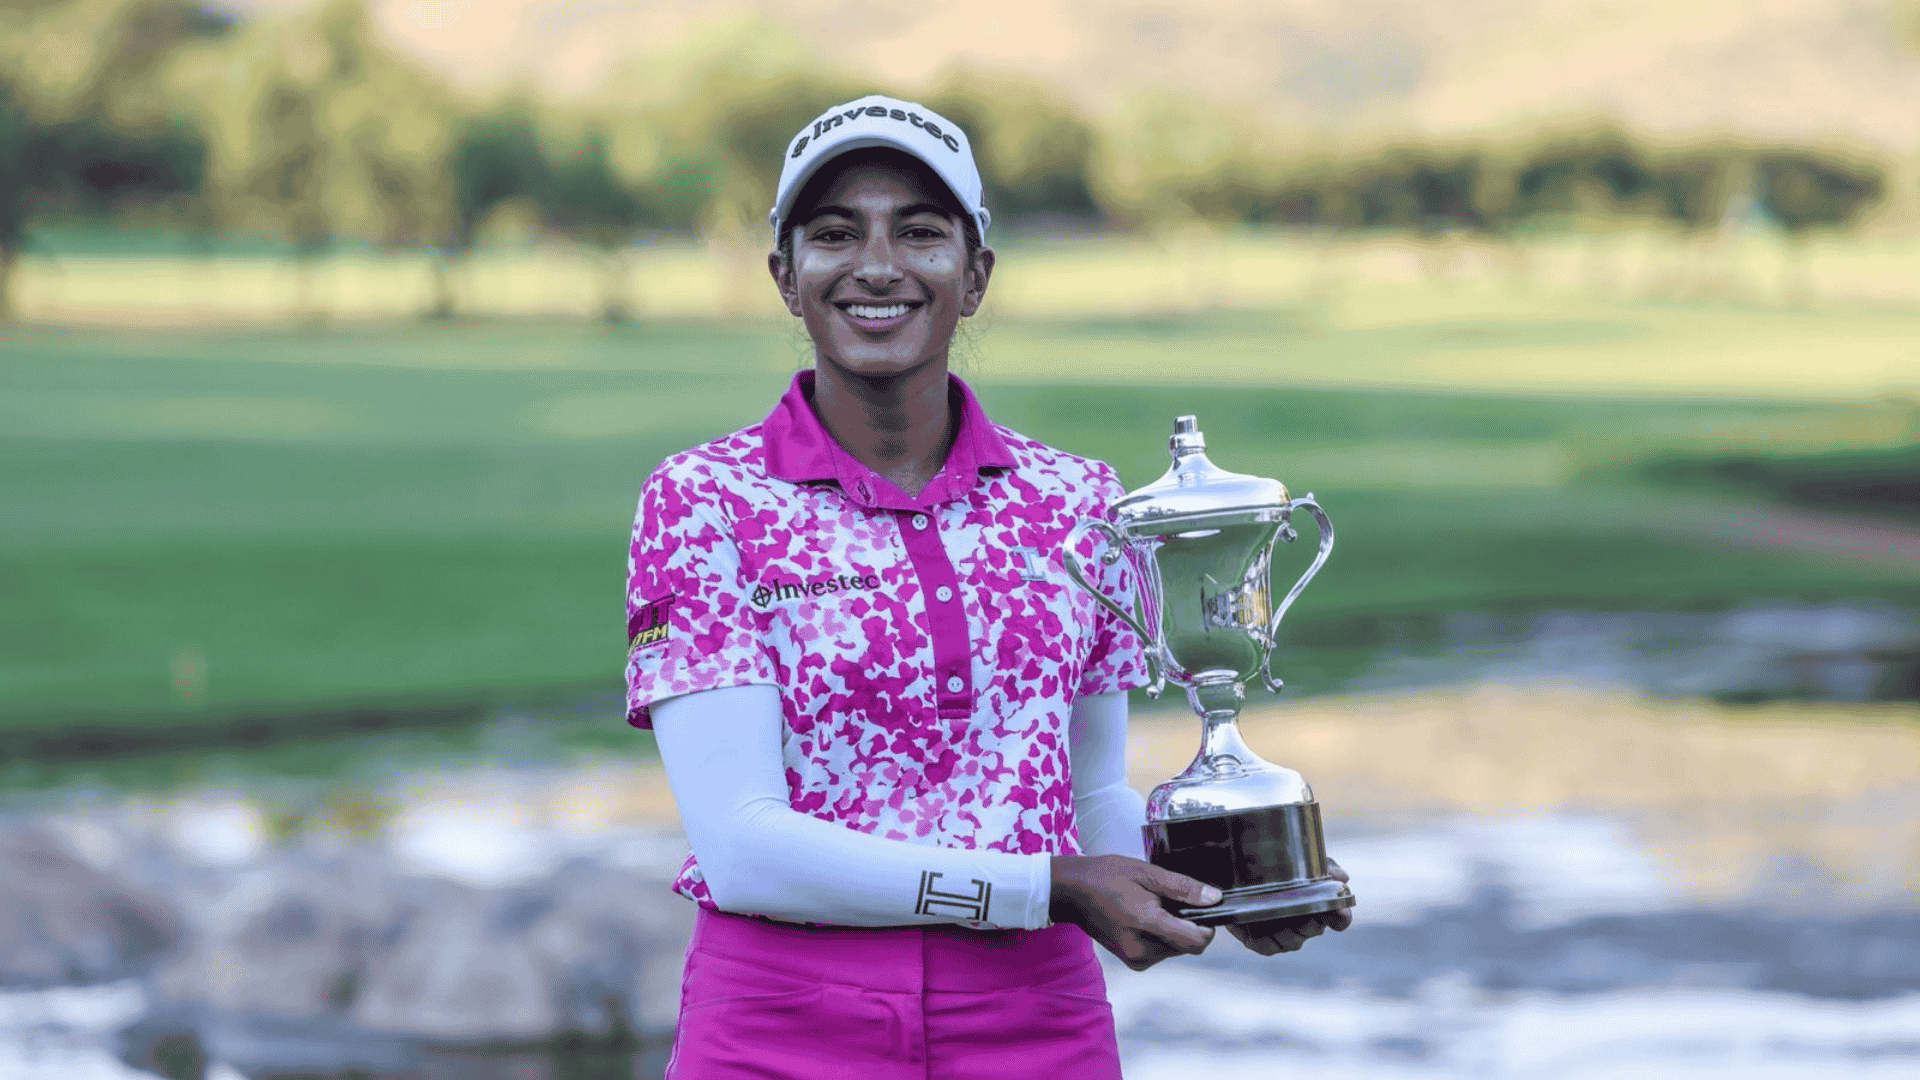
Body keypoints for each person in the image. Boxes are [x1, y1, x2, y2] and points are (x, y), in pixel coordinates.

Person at [624, 94, 1351, 1078]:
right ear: (786, 278)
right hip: (780, 1022)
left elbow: (1089, 793)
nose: (877, 265)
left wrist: (1228, 880)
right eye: (834, 234)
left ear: (975, 275)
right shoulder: (704, 500)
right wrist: (1047, 888)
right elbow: (742, 847)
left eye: (921, 232)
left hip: (1037, 1021)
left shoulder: (1077, 501)